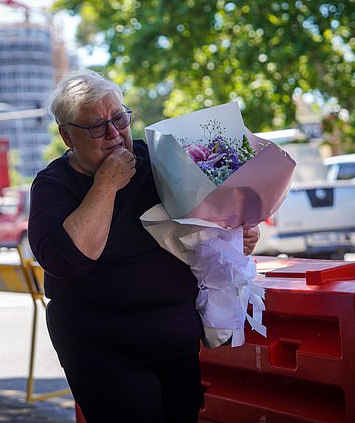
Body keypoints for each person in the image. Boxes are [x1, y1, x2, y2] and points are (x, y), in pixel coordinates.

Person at [27, 69, 260, 423]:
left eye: (119, 118)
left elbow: (214, 224)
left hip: (174, 337)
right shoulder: (52, 185)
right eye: (96, 126)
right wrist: (105, 185)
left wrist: (237, 234)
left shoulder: (160, 158)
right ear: (67, 136)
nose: (113, 133)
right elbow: (69, 259)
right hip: (103, 348)